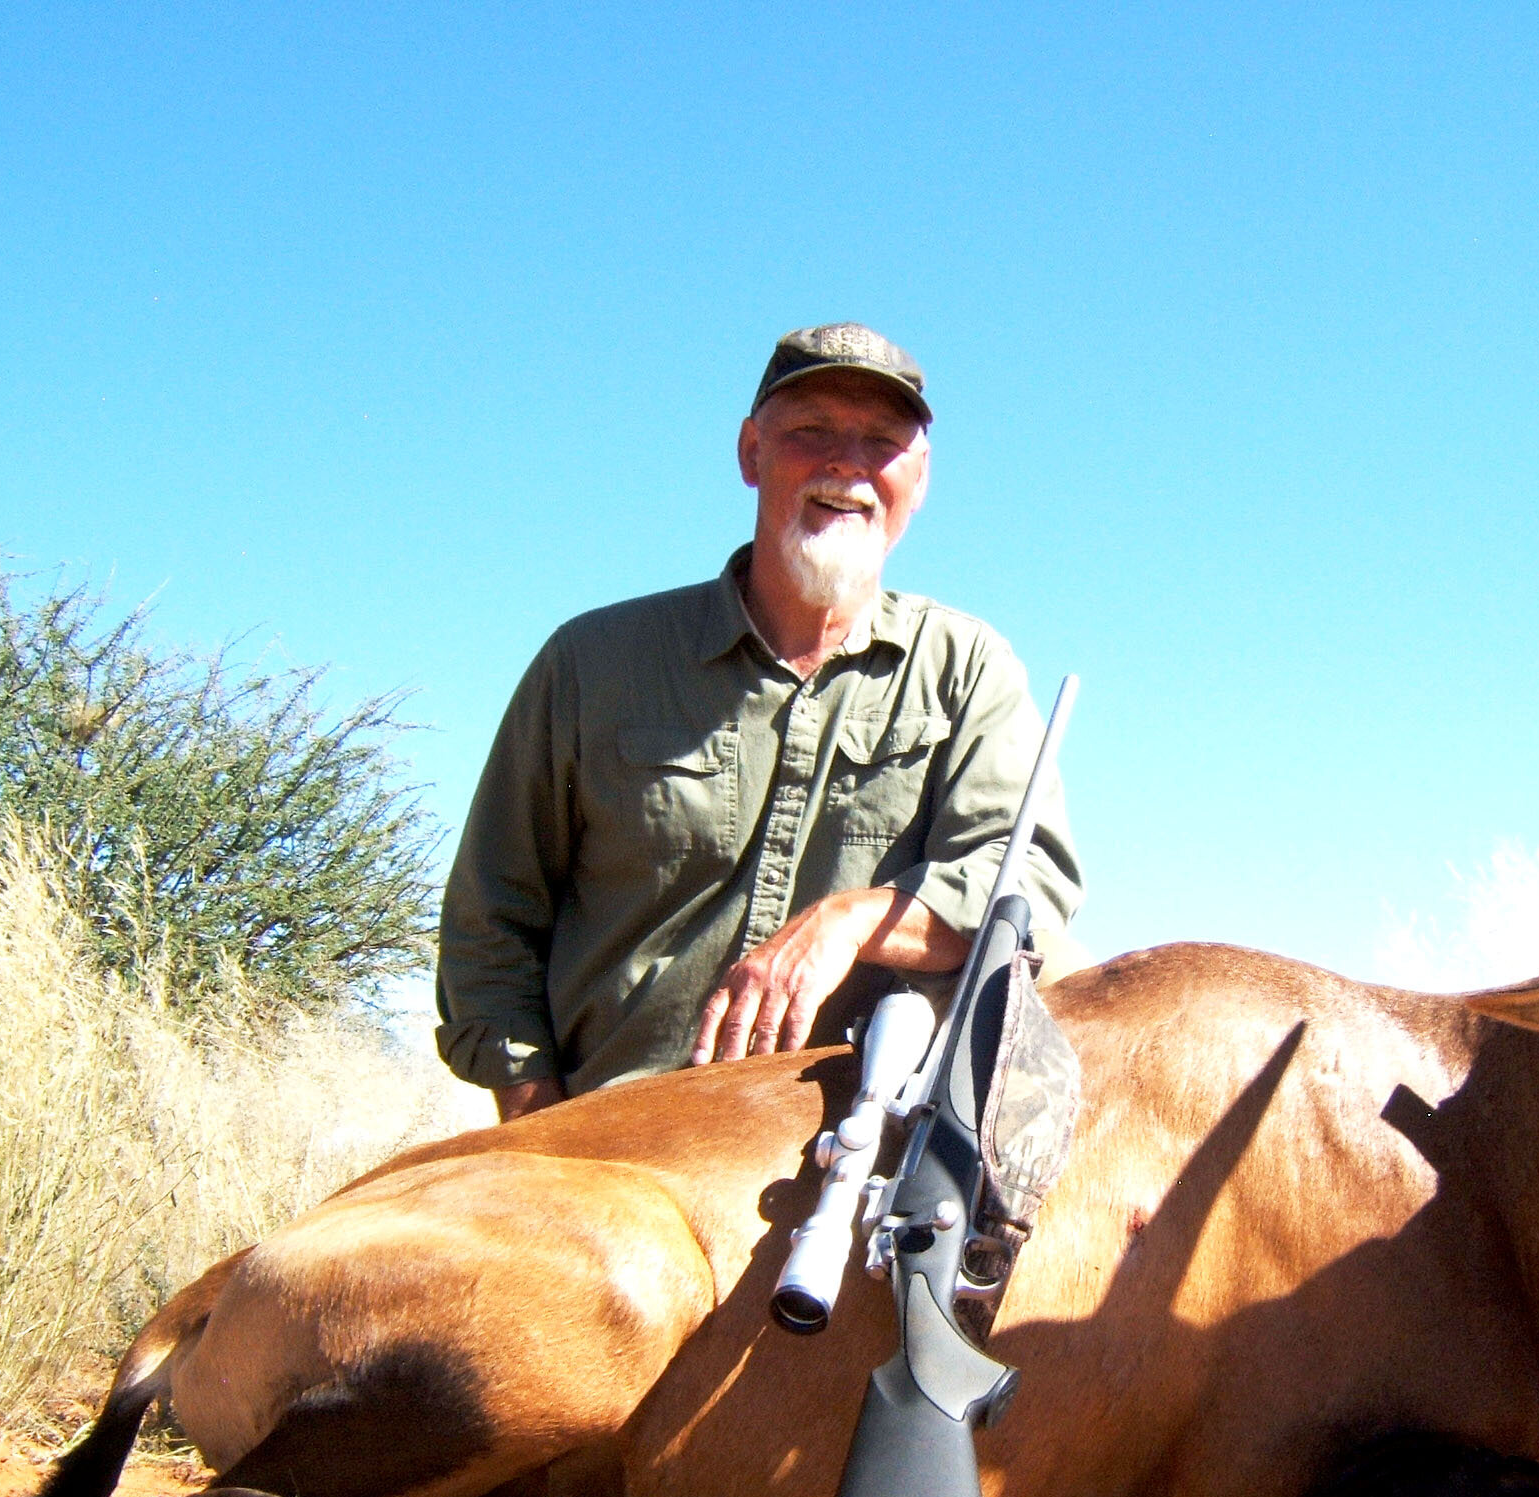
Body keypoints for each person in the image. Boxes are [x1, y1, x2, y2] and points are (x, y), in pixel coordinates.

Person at [436, 323, 1084, 1118]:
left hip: (854, 1146)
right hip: (602, 1140)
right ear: (750, 453)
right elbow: (490, 919)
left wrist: (847, 925)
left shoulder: (968, 667)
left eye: (882, 442)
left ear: (918, 480)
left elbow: (1025, 888)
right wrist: (535, 1126)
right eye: (811, 432)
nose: (847, 463)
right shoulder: (590, 662)